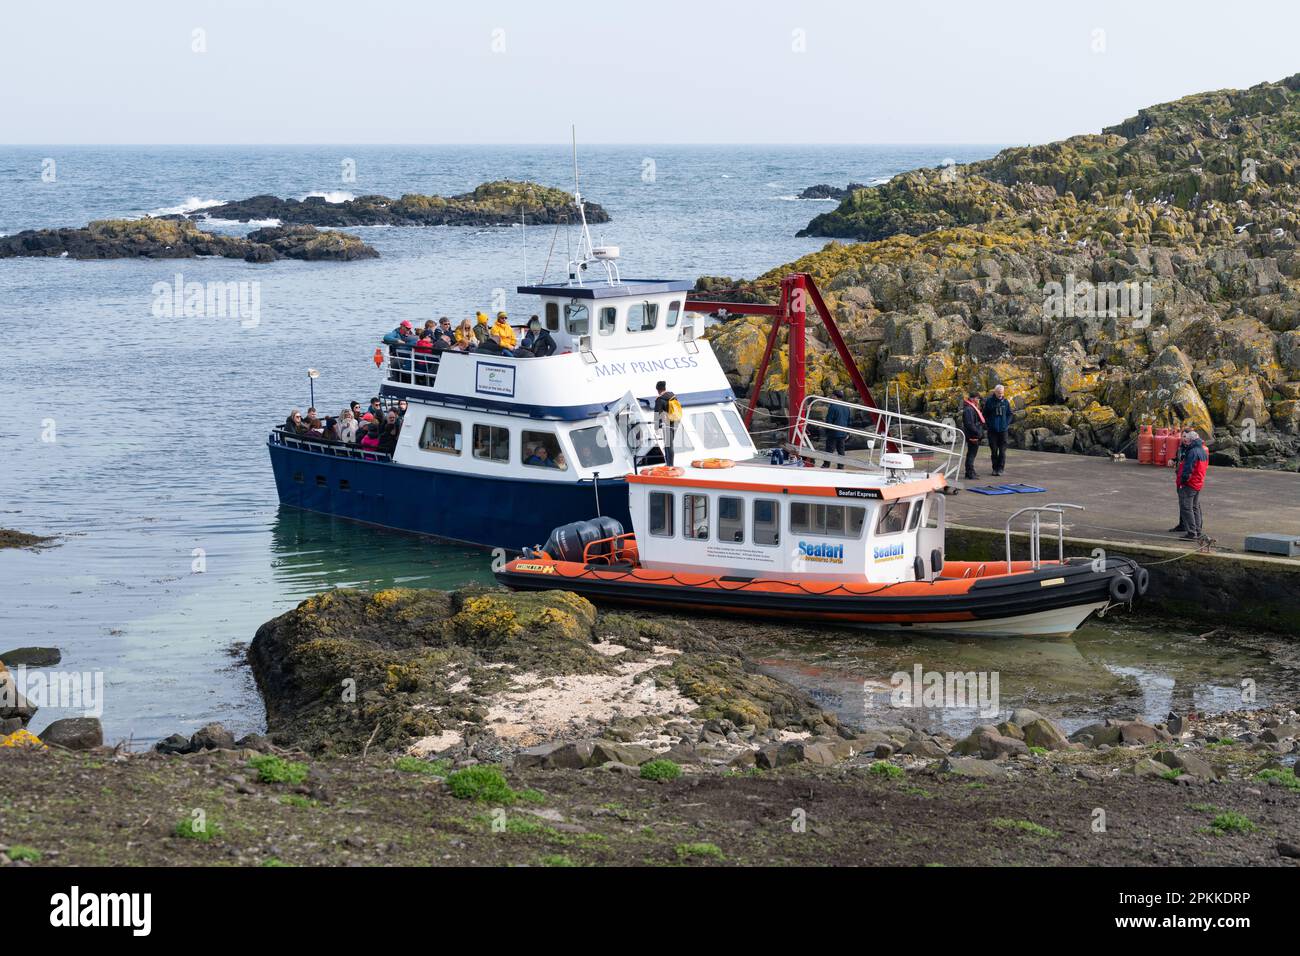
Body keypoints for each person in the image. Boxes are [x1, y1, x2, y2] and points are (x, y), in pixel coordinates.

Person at [1174, 428, 1208, 540]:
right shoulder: (1202, 450)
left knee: (1187, 507)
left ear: (1191, 440)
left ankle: (1192, 532)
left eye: (1187, 440)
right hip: (1198, 483)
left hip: (1190, 484)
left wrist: (1183, 482)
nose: (1185, 441)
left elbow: (1188, 469)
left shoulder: (1192, 452)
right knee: (1195, 507)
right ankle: (1197, 531)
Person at [982, 384, 1012, 477]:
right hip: (992, 431)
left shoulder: (1006, 402)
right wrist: (988, 425)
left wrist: (1006, 424)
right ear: (995, 392)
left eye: (1002, 393)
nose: (1000, 395)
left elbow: (1010, 414)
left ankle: (1001, 469)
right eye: (999, 393)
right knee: (994, 451)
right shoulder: (989, 402)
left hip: (1003, 431)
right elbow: (984, 414)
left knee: (1002, 452)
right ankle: (995, 469)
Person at [653, 380, 681, 466]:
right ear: (665, 388)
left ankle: (670, 465)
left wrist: (656, 427)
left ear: (658, 389)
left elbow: (657, 413)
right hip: (676, 421)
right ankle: (668, 463)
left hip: (667, 424)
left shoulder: (660, 399)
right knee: (669, 444)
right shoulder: (673, 396)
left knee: (668, 445)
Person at [821, 389, 851, 469]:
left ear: (835, 396)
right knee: (841, 451)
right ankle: (841, 466)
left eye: (832, 395)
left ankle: (826, 465)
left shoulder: (833, 406)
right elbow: (848, 420)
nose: (831, 397)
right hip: (843, 433)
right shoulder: (846, 407)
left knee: (829, 450)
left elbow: (829, 420)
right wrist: (847, 433)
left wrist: (826, 431)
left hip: (833, 433)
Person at [961, 389, 986, 480]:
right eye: (977, 399)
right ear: (973, 399)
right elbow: (969, 424)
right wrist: (977, 432)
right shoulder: (969, 409)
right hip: (972, 435)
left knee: (971, 454)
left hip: (973, 434)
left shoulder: (971, 408)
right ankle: (970, 472)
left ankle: (970, 471)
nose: (978, 400)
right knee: (971, 454)